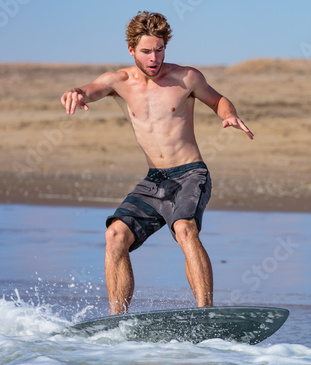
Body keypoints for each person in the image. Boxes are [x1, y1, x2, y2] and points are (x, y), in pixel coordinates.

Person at [60, 11, 254, 315]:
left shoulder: (186, 77)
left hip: (190, 174)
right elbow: (90, 89)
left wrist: (228, 114)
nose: (154, 58)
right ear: (131, 50)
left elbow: (218, 100)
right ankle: (117, 320)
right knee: (115, 236)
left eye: (160, 49)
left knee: (184, 228)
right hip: (155, 180)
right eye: (146, 51)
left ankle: (206, 313)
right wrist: (76, 93)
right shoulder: (119, 82)